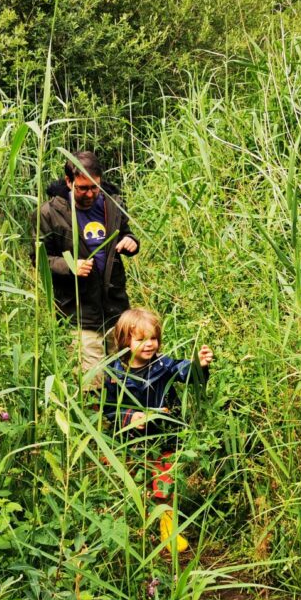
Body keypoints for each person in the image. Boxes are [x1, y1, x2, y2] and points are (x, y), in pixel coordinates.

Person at [103, 308, 214, 552]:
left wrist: (200, 365)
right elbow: (107, 409)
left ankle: (168, 526)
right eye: (140, 339)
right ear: (124, 341)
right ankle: (137, 526)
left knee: (164, 481)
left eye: (152, 338)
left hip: (164, 435)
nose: (149, 344)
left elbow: (184, 372)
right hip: (132, 440)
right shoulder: (114, 372)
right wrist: (130, 417)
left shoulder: (163, 364)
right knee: (135, 481)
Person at [35, 151, 139, 389]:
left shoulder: (112, 204)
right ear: (69, 181)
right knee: (91, 383)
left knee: (125, 377)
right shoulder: (49, 213)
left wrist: (131, 242)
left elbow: (126, 233)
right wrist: (70, 266)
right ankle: (97, 425)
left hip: (116, 306)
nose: (90, 194)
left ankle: (125, 423)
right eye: (82, 188)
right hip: (79, 311)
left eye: (95, 187)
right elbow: (39, 259)